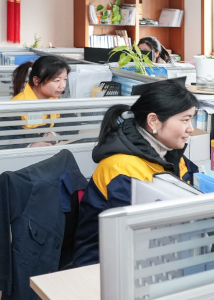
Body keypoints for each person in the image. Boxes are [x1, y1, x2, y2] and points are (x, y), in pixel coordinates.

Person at [71, 80, 199, 267]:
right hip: (102, 265)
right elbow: (127, 239)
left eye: (191, 119)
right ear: (153, 121)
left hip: (153, 255)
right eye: (185, 120)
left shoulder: (168, 153)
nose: (191, 128)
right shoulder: (122, 169)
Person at [9, 55, 71, 147]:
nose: (62, 85)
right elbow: (0, 141)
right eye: (57, 80)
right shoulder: (17, 106)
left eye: (64, 79)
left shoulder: (54, 99)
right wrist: (30, 146)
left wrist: (54, 134)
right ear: (37, 81)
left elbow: (72, 120)